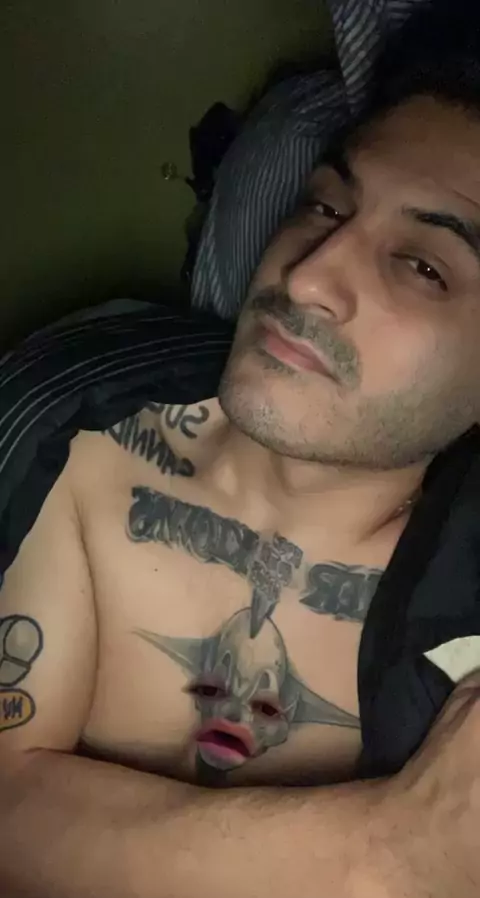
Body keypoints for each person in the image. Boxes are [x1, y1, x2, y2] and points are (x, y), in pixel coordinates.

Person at [2, 2, 480, 895]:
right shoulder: (83, 445)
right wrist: (392, 850)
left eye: (423, 266)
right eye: (325, 205)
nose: (307, 275)